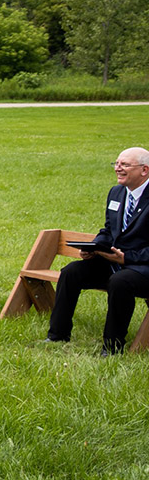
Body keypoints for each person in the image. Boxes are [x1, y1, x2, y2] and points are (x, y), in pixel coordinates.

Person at [46, 147, 149, 355]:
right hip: (113, 261)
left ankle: (111, 348)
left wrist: (127, 258)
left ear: (144, 170)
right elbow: (108, 230)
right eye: (116, 164)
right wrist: (93, 247)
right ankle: (57, 335)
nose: (118, 169)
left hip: (142, 268)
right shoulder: (116, 192)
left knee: (120, 282)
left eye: (124, 165)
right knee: (71, 272)